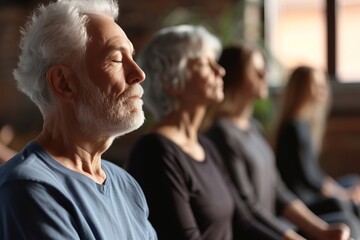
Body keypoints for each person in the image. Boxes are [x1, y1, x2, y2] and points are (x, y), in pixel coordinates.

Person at [0, 0, 157, 239]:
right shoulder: (30, 188)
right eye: (116, 59)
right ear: (64, 83)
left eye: (132, 57)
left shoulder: (125, 184)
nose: (139, 73)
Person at [126, 24, 296, 240]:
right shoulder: (154, 152)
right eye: (206, 64)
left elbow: (243, 221)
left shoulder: (205, 145)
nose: (220, 71)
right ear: (172, 81)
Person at [204, 43, 354, 240]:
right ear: (236, 76)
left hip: (277, 226)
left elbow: (279, 191)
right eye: (256, 71)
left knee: (344, 221)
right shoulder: (222, 134)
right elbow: (248, 212)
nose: (264, 75)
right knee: (343, 213)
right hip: (260, 234)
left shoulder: (253, 127)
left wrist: (322, 230)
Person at [273, 65, 360, 219]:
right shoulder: (292, 128)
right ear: (301, 89)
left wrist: (341, 191)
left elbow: (315, 173)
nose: (322, 89)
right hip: (302, 201)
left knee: (353, 180)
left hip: (311, 193)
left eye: (322, 85)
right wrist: (342, 195)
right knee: (342, 203)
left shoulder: (304, 124)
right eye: (316, 85)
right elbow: (310, 179)